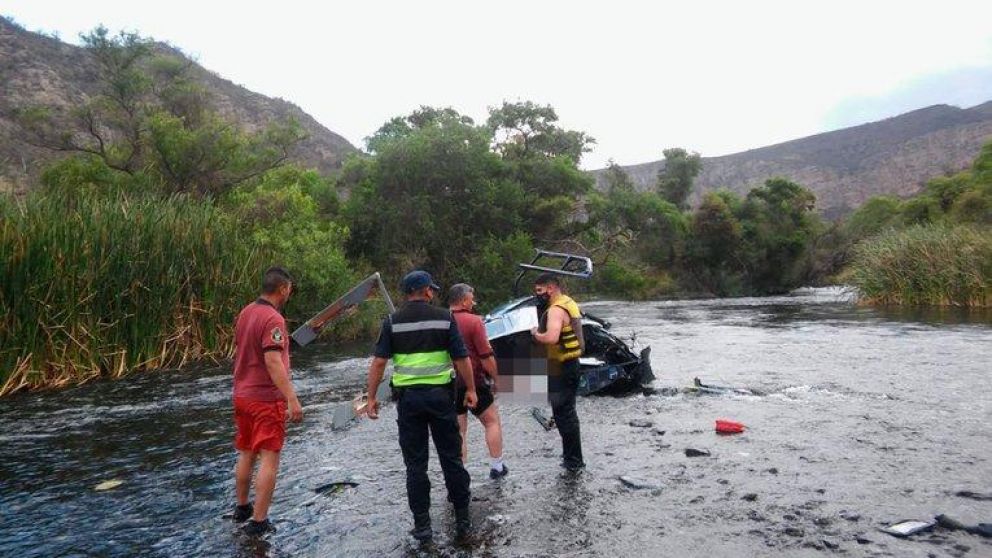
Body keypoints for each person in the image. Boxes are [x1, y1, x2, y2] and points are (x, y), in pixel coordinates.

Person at [365, 270, 478, 543]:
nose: (433, 293)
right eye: (432, 289)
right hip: (441, 398)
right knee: (451, 459)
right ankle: (463, 522)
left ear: (406, 293)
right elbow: (461, 358)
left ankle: (423, 527)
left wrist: (371, 398)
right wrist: (471, 389)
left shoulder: (392, 321)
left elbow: (379, 362)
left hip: (409, 401)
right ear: (426, 291)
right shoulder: (445, 318)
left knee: (415, 465)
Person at [231, 266, 304, 536]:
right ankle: (259, 521)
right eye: (290, 289)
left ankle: (242, 507)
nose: (290, 293)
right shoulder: (274, 319)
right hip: (264, 398)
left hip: (241, 394)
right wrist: (292, 398)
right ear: (283, 289)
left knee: (247, 451)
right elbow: (273, 361)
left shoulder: (246, 312)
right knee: (269, 457)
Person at [448, 283, 508, 479]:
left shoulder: (441, 321)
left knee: (459, 430)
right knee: (492, 421)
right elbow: (485, 356)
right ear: (464, 300)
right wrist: (499, 379)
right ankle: (497, 467)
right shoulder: (475, 322)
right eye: (472, 299)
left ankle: (460, 472)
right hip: (473, 380)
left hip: (448, 383)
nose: (473, 303)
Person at [530, 273, 585, 472]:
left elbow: (552, 338)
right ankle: (571, 457)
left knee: (564, 415)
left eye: (539, 291)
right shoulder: (569, 302)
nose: (538, 295)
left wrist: (536, 334)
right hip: (571, 364)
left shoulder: (555, 310)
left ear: (550, 288)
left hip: (563, 368)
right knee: (567, 412)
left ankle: (573, 461)